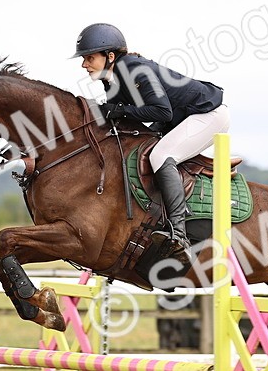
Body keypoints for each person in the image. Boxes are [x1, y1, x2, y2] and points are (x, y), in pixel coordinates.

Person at [74, 23, 229, 267]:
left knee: (160, 155)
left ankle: (180, 236)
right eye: (84, 59)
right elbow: (119, 119)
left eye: (89, 58)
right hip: (183, 118)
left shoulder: (133, 70)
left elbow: (161, 112)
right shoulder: (112, 78)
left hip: (207, 115)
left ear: (110, 56)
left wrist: (116, 110)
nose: (84, 64)